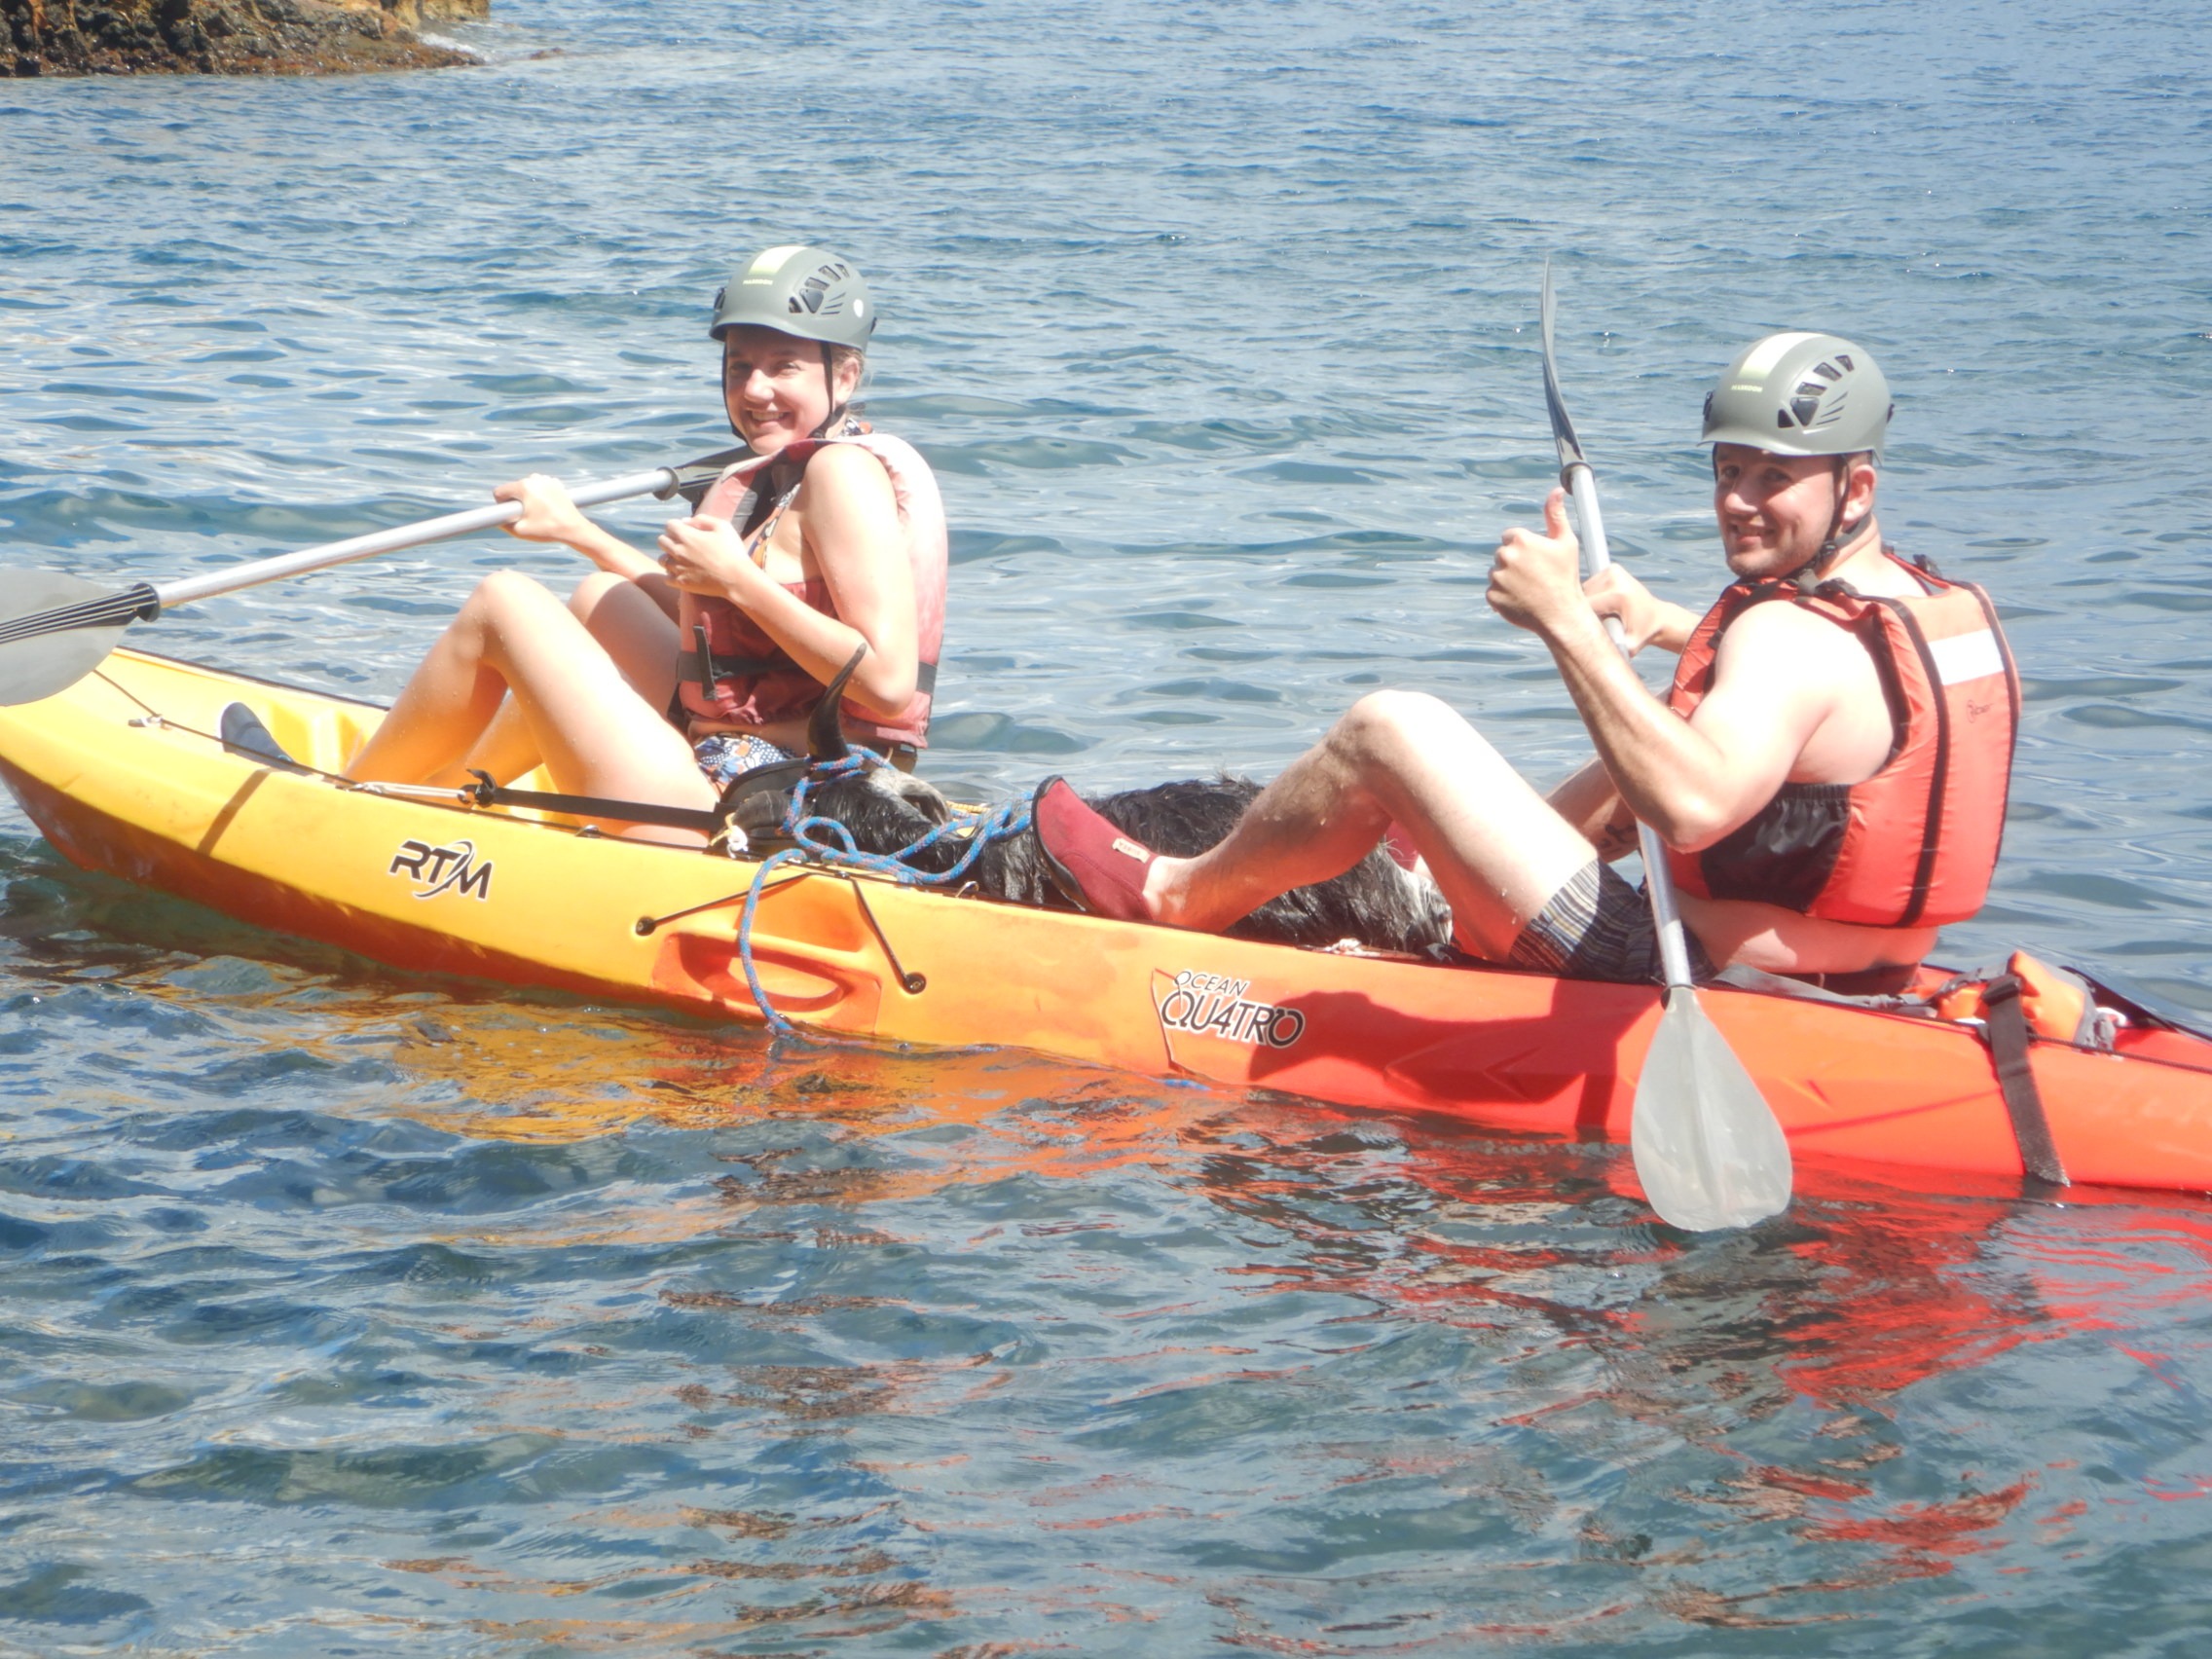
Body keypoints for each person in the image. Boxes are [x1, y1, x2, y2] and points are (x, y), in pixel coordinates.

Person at [1032, 332, 2019, 991]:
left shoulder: (1782, 639)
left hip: (1679, 974)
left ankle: (1173, 893)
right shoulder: (1948, 611)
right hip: (1873, 977)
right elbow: (1844, 700)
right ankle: (1450, 876)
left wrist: (1567, 626)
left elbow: (1694, 807)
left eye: (1777, 477)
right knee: (1680, 721)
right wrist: (1665, 622)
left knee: (1391, 727)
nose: (1740, 500)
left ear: (1856, 487)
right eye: (1727, 470)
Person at [342, 244, 948, 841]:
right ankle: (453, 791)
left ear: (843, 376)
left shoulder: (840, 473)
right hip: (757, 769)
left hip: (774, 801)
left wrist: (739, 579)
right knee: (601, 597)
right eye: (739, 366)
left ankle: (344, 806)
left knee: (502, 601)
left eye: (783, 365)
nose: (756, 390)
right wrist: (577, 532)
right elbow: (715, 625)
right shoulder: (804, 469)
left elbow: (889, 687)